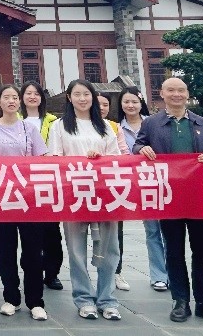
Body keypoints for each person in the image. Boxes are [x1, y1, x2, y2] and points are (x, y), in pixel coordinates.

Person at [134, 77, 203, 327]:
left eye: (181, 90)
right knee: (174, 249)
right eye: (171, 90)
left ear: (187, 94)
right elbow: (138, 145)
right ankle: (180, 300)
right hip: (168, 196)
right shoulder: (151, 123)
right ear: (162, 94)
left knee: (202, 249)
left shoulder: (202, 123)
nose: (176, 94)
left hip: (198, 195)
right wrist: (141, 149)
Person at [47, 79, 122, 321]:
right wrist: (80, 162)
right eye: (77, 94)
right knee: (76, 250)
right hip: (75, 194)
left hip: (105, 194)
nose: (82, 99)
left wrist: (100, 159)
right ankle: (84, 298)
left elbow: (116, 158)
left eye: (86, 94)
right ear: (69, 98)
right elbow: (55, 159)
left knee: (110, 249)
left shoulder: (105, 126)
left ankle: (107, 299)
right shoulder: (60, 126)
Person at [0, 84, 48, 321]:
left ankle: (35, 301)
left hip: (28, 198)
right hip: (1, 198)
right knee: (5, 250)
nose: (11, 101)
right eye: (6, 97)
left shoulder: (29, 128)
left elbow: (42, 158)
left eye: (14, 97)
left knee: (33, 251)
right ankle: (11, 298)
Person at [117, 87, 169, 292]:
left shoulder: (155, 123)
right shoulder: (115, 128)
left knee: (166, 229)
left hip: (157, 182)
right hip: (129, 184)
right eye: (126, 102)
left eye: (134, 102)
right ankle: (158, 275)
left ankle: (169, 273)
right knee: (151, 230)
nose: (130, 105)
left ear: (141, 103)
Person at [19, 81, 64, 291]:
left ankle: (52, 273)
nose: (32, 97)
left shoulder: (54, 121)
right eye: (28, 93)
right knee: (29, 232)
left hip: (49, 181)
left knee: (52, 231)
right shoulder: (15, 120)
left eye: (36, 93)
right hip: (22, 183)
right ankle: (31, 271)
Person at [98, 92, 131, 292]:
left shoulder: (114, 127)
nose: (101, 108)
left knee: (114, 234)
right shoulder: (73, 125)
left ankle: (116, 272)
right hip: (83, 186)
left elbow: (124, 153)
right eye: (98, 104)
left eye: (105, 104)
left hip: (111, 186)